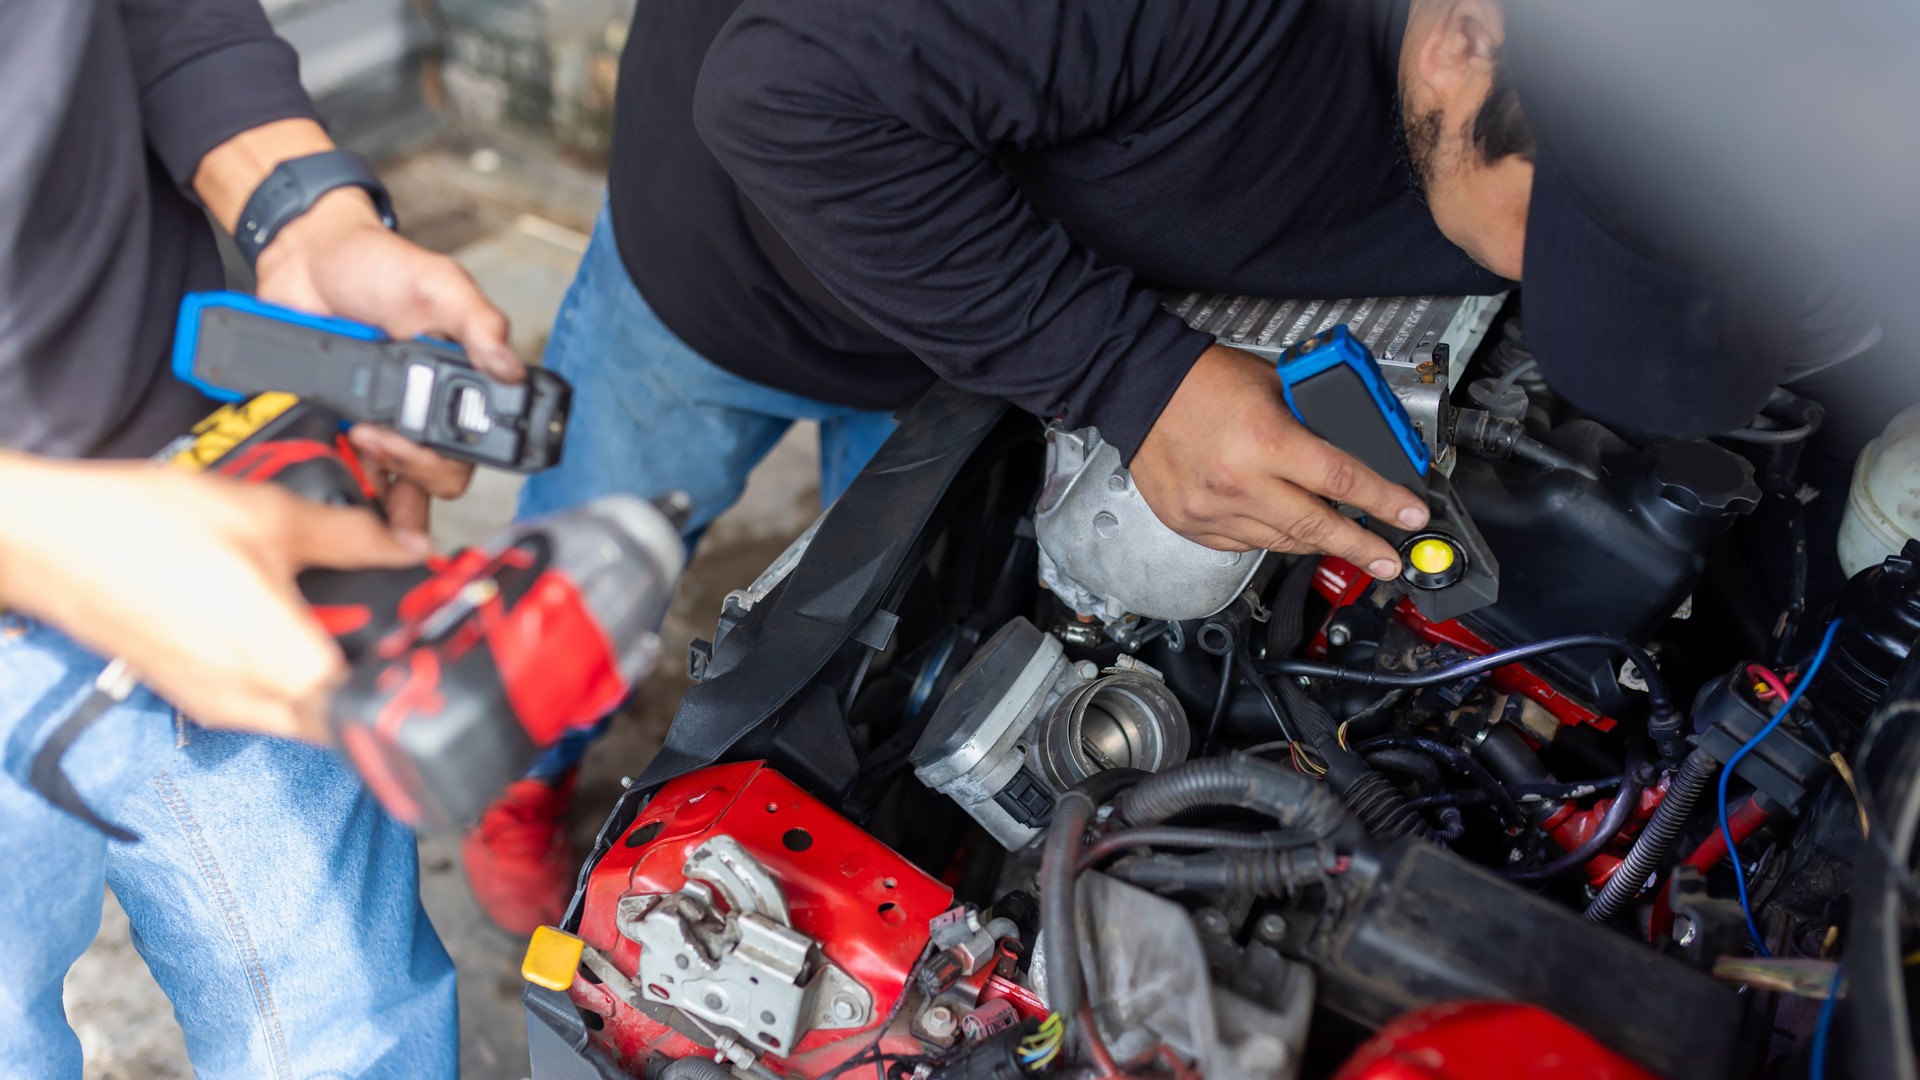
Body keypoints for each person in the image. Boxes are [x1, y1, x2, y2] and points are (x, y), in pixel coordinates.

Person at [462, 0, 1876, 930]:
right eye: (1550, 241)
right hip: (730, 267)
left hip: (966, 338)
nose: (1537, 279)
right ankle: (522, 775)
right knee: (589, 578)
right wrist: (1137, 383)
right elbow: (782, 105)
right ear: (1468, 33)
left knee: (839, 641)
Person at [0, 2, 524, 1080]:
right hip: (139, 535)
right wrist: (49, 533)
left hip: (212, 492)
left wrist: (303, 208)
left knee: (351, 1048)